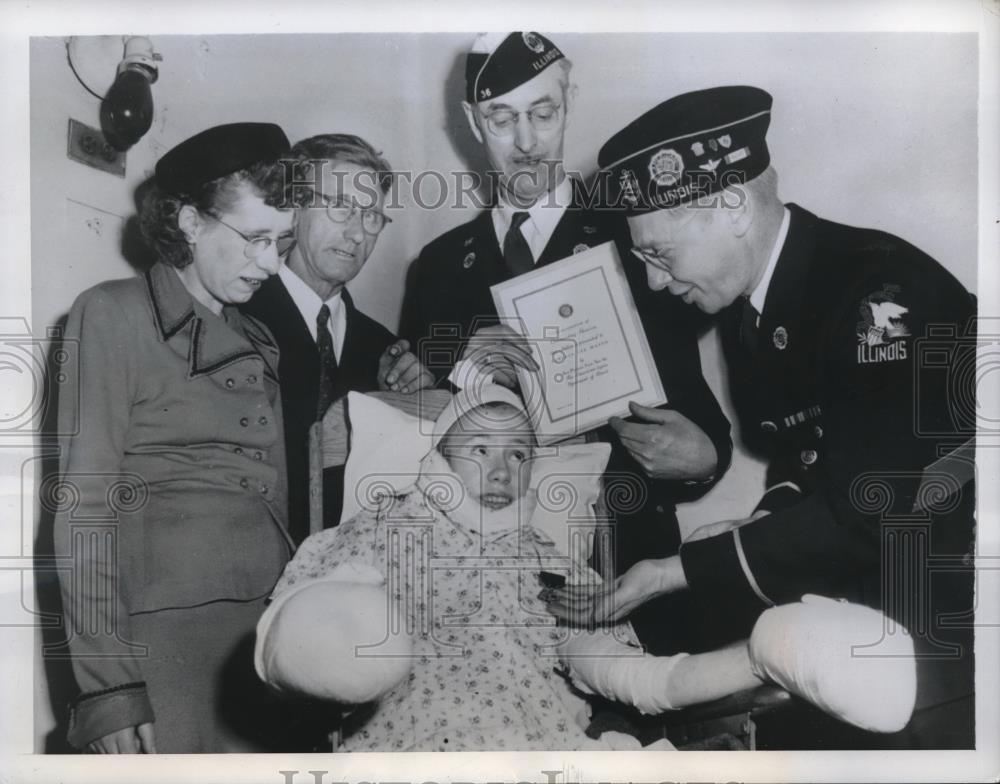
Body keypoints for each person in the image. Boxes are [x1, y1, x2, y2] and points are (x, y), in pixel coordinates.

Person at [548, 86, 977, 748]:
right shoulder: (755, 304)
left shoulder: (880, 296)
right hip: (859, 578)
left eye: (659, 254)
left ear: (731, 208)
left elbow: (869, 505)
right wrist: (747, 526)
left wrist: (679, 568)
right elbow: (805, 455)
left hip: (942, 609)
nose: (657, 282)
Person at [399, 31, 733, 654]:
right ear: (473, 122)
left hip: (619, 567)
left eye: (543, 113)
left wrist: (704, 458)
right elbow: (417, 435)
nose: (526, 143)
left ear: (570, 102)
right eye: (502, 118)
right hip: (478, 582)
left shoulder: (637, 236)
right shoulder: (439, 266)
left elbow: (703, 424)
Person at [53, 123, 299, 753]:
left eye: (283, 242)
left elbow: (274, 499)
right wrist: (108, 689)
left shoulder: (260, 341)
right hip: (160, 639)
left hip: (260, 634)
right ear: (190, 222)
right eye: (255, 239)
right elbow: (83, 506)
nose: (271, 264)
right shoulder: (111, 313)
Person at [242, 134, 432, 541]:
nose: (358, 234)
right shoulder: (239, 314)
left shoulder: (385, 349)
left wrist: (408, 404)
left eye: (371, 217)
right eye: (341, 208)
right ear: (295, 208)